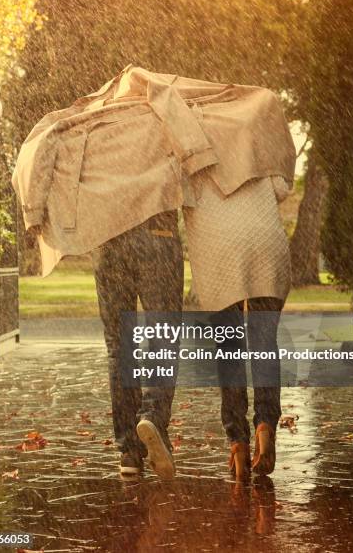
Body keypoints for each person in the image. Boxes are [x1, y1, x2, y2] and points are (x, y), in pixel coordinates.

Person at [183, 169, 291, 480]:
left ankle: (237, 441)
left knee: (229, 347)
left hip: (220, 253)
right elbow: (281, 188)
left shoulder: (196, 160)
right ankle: (265, 423)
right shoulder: (252, 149)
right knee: (263, 342)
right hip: (265, 248)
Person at [90, 210, 183, 479]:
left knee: (120, 345)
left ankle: (129, 450)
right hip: (158, 233)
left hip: (108, 237)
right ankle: (152, 415)